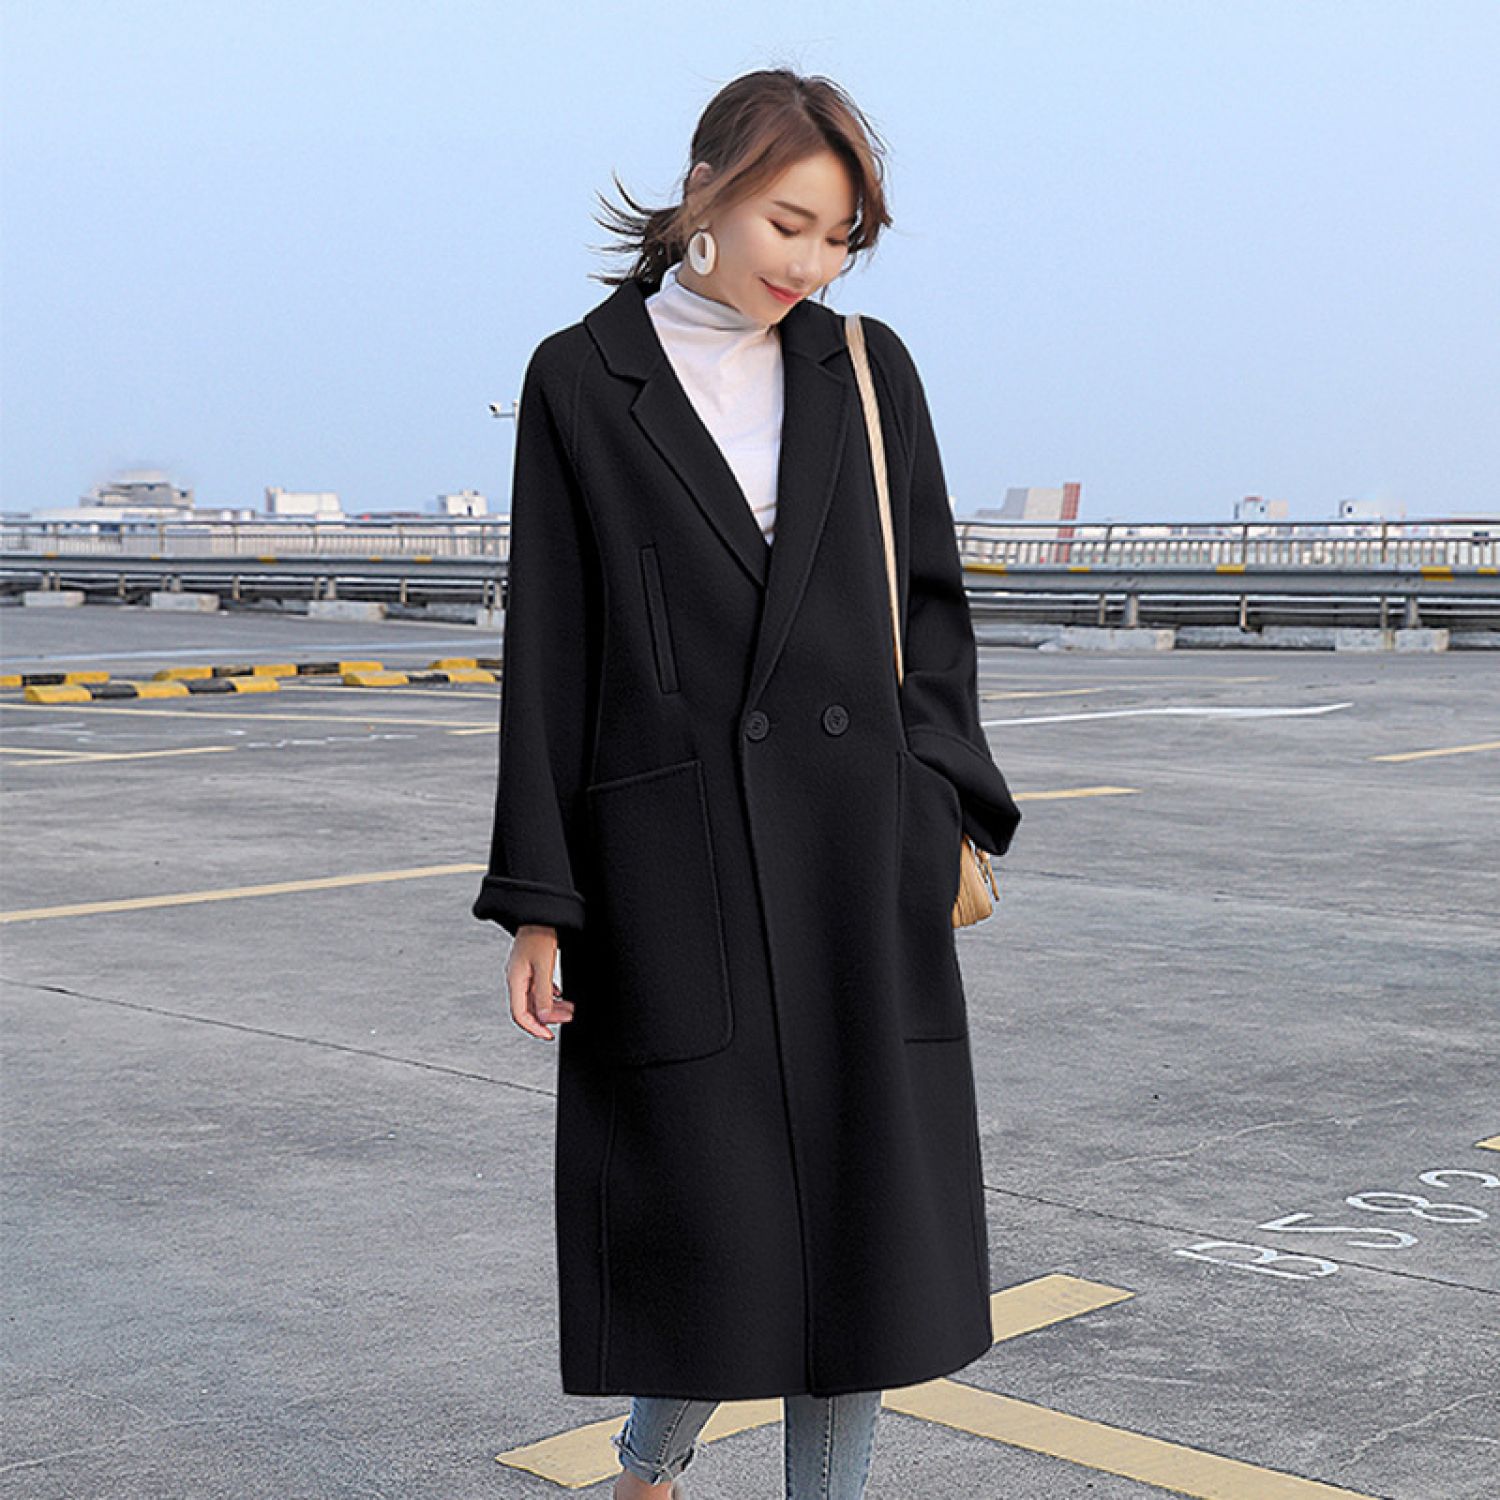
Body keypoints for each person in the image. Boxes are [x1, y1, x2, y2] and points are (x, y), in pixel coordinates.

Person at [473, 67, 1022, 1500]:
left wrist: (937, 803)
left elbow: (933, 605)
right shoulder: (582, 377)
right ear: (705, 188)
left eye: (841, 239)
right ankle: (648, 1464)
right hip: (677, 864)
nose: (812, 265)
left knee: (856, 1240)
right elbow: (553, 645)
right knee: (709, 1222)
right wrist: (540, 899)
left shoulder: (866, 368)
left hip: (856, 851)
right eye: (792, 223)